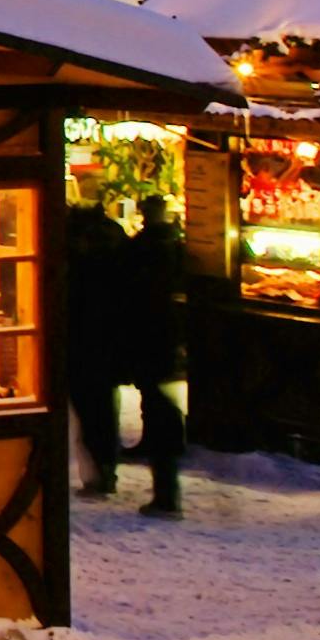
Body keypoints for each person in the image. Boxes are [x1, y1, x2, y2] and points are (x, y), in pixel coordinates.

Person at [115, 194, 189, 517]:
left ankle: (166, 494)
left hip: (149, 336)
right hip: (168, 337)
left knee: (158, 404)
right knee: (162, 404)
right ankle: (166, 477)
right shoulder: (176, 246)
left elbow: (126, 287)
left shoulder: (142, 248)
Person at [63, 202, 131, 498]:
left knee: (87, 411)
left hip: (81, 343)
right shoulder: (116, 249)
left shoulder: (79, 261)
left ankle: (96, 476)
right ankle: (106, 470)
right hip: (109, 343)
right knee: (104, 410)